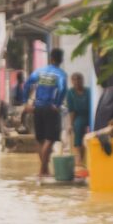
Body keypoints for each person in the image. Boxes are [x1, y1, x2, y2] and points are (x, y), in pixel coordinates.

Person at [23, 48, 69, 178]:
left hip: (38, 108)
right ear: (60, 60)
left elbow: (27, 84)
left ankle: (45, 170)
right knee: (50, 139)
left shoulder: (40, 71)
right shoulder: (60, 74)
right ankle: (42, 170)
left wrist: (26, 101)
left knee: (40, 140)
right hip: (50, 109)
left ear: (51, 58)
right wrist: (57, 104)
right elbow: (62, 89)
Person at [66, 72, 91, 166]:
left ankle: (86, 158)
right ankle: (79, 158)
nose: (77, 82)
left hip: (90, 115)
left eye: (79, 79)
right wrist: (70, 124)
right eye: (74, 80)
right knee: (78, 126)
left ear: (82, 80)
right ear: (72, 81)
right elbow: (71, 110)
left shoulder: (89, 91)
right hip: (79, 116)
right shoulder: (70, 93)